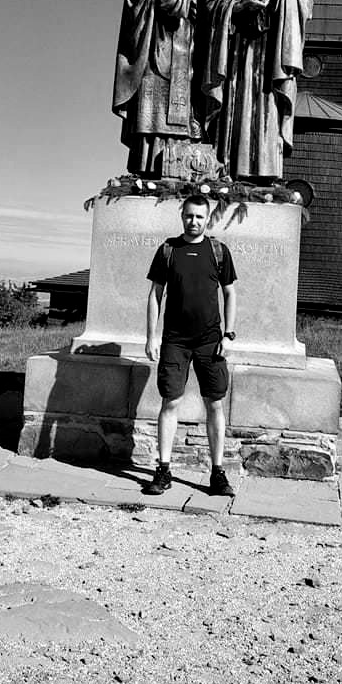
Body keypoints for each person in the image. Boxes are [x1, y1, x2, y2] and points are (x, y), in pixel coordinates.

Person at [112, 0, 228, 177]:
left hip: (185, 55)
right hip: (152, 49)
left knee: (184, 114)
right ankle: (147, 172)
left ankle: (179, 170)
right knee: (151, 113)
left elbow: (207, 19)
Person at [204, 0, 312, 180]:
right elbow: (213, 8)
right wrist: (237, 7)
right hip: (236, 51)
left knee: (265, 109)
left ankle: (262, 173)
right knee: (234, 107)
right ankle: (226, 169)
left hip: (269, 54)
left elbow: (304, 7)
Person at [143, 194, 237, 497]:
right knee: (170, 402)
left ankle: (217, 473)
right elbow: (156, 294)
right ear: (182, 216)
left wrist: (229, 334)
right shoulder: (168, 250)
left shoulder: (218, 251)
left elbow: (230, 293)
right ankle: (164, 470)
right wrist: (151, 336)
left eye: (199, 217)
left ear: (207, 219)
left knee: (215, 403)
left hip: (211, 341)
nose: (193, 221)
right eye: (189, 216)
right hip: (175, 341)